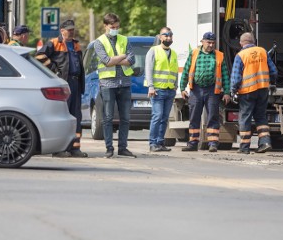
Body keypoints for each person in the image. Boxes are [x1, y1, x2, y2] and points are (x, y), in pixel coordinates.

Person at [38, 19, 87, 157]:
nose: (72, 32)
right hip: (62, 84)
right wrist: (54, 69)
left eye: (73, 30)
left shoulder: (76, 45)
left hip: (75, 83)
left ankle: (75, 148)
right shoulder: (54, 43)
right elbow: (39, 56)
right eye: (69, 30)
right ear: (62, 30)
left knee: (76, 116)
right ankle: (58, 149)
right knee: (61, 115)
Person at [92, 12, 137, 158]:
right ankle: (109, 148)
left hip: (124, 83)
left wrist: (118, 58)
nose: (115, 29)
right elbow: (107, 61)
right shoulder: (99, 42)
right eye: (112, 27)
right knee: (108, 118)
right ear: (105, 26)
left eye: (117, 27)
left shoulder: (124, 39)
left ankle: (123, 148)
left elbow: (132, 60)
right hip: (108, 84)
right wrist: (123, 56)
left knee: (125, 118)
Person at [179, 31, 230, 153]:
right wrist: (182, 88)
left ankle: (213, 144)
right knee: (194, 117)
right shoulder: (194, 53)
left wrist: (227, 92)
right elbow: (186, 71)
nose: (211, 45)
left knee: (213, 116)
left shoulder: (219, 56)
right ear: (202, 42)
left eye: (213, 43)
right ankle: (192, 143)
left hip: (212, 90)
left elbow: (225, 75)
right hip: (196, 90)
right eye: (209, 42)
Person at [229, 32, 277, 154]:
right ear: (253, 41)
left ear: (241, 43)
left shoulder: (241, 55)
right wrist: (272, 82)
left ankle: (244, 147)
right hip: (263, 89)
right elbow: (273, 71)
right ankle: (265, 143)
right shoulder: (263, 51)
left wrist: (233, 91)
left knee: (245, 118)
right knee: (261, 116)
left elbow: (235, 78)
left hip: (247, 92)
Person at [144, 27, 179, 152]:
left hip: (170, 90)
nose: (168, 38)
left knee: (165, 118)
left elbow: (174, 71)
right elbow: (148, 69)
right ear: (160, 37)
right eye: (165, 35)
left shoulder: (174, 53)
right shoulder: (153, 51)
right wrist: (151, 87)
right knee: (157, 116)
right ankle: (153, 143)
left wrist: (176, 86)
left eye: (170, 35)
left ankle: (160, 142)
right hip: (158, 90)